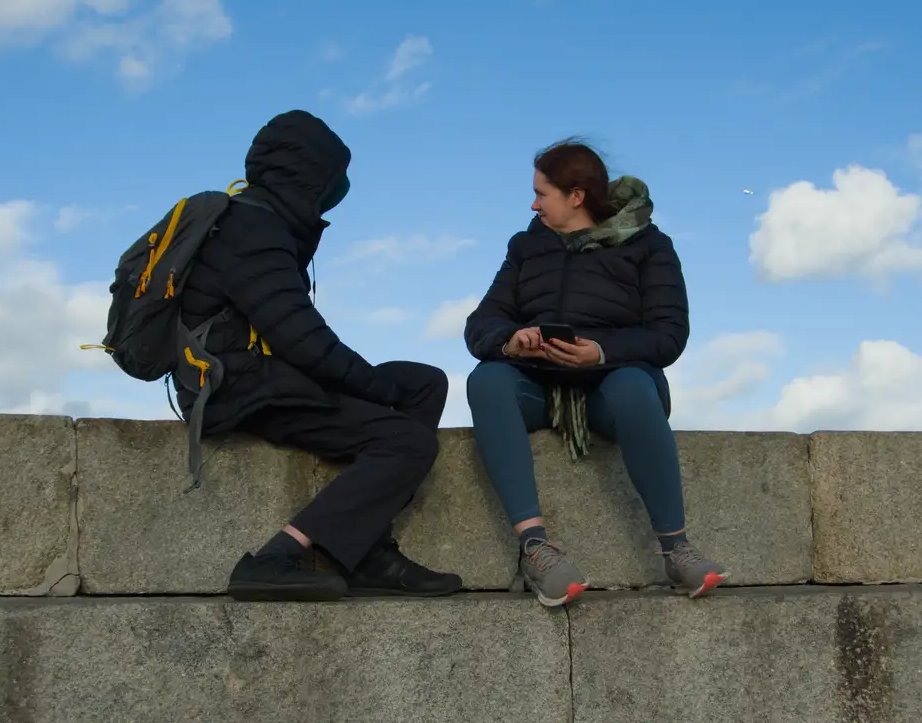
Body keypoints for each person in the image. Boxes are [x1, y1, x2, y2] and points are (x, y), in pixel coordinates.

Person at [177, 110, 463, 602]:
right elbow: (303, 340)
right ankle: (276, 557)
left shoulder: (262, 222)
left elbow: (293, 337)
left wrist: (380, 385)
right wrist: (375, 388)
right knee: (408, 443)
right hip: (238, 388)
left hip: (260, 373)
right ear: (307, 182)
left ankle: (367, 548)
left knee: (425, 381)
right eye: (328, 190)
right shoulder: (250, 230)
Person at [463, 140, 726, 607]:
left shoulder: (650, 245)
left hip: (613, 385)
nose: (533, 203)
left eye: (542, 193)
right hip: (537, 384)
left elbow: (669, 335)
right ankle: (536, 548)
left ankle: (676, 548)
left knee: (632, 388)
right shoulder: (526, 247)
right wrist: (511, 339)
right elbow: (481, 323)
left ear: (577, 196)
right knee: (486, 379)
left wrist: (600, 352)